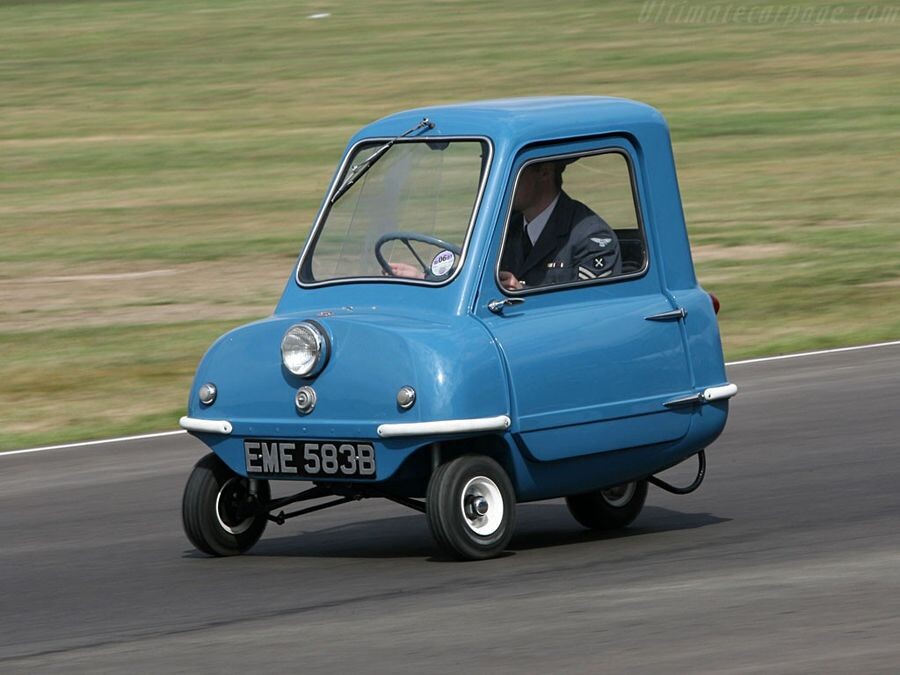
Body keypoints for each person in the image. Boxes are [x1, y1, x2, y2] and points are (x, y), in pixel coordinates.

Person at [499, 160, 621, 291]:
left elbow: (591, 303)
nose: (501, 182)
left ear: (545, 172)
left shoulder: (591, 238)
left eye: (512, 172)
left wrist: (522, 292)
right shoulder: (505, 227)